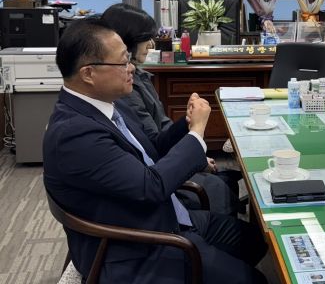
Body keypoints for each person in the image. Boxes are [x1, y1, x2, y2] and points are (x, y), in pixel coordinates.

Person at [43, 18, 267, 284]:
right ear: (88, 74)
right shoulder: (75, 134)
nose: (131, 68)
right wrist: (197, 134)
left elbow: (153, 149)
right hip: (136, 248)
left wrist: (186, 124)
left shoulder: (107, 104)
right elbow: (151, 187)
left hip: (162, 216)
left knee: (255, 241)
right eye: (122, 63)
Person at [100, 3, 240, 215]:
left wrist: (187, 122)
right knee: (224, 188)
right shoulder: (125, 90)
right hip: (159, 176)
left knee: (227, 181)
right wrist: (194, 139)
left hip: (163, 164)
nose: (151, 44)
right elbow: (153, 147)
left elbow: (162, 129)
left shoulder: (139, 77)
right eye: (145, 38)